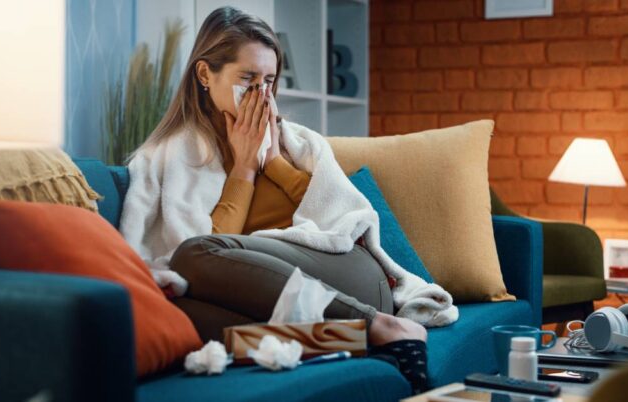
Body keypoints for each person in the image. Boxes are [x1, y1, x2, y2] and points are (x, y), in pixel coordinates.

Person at [119, 6, 456, 393]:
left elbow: (344, 219)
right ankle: (352, 342)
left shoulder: (297, 143)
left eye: (269, 80)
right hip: (271, 301)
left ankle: (381, 325)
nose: (261, 93)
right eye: (248, 78)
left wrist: (273, 162)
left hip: (351, 279)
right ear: (204, 75)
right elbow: (198, 264)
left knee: (193, 254)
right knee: (179, 315)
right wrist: (243, 169)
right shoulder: (171, 156)